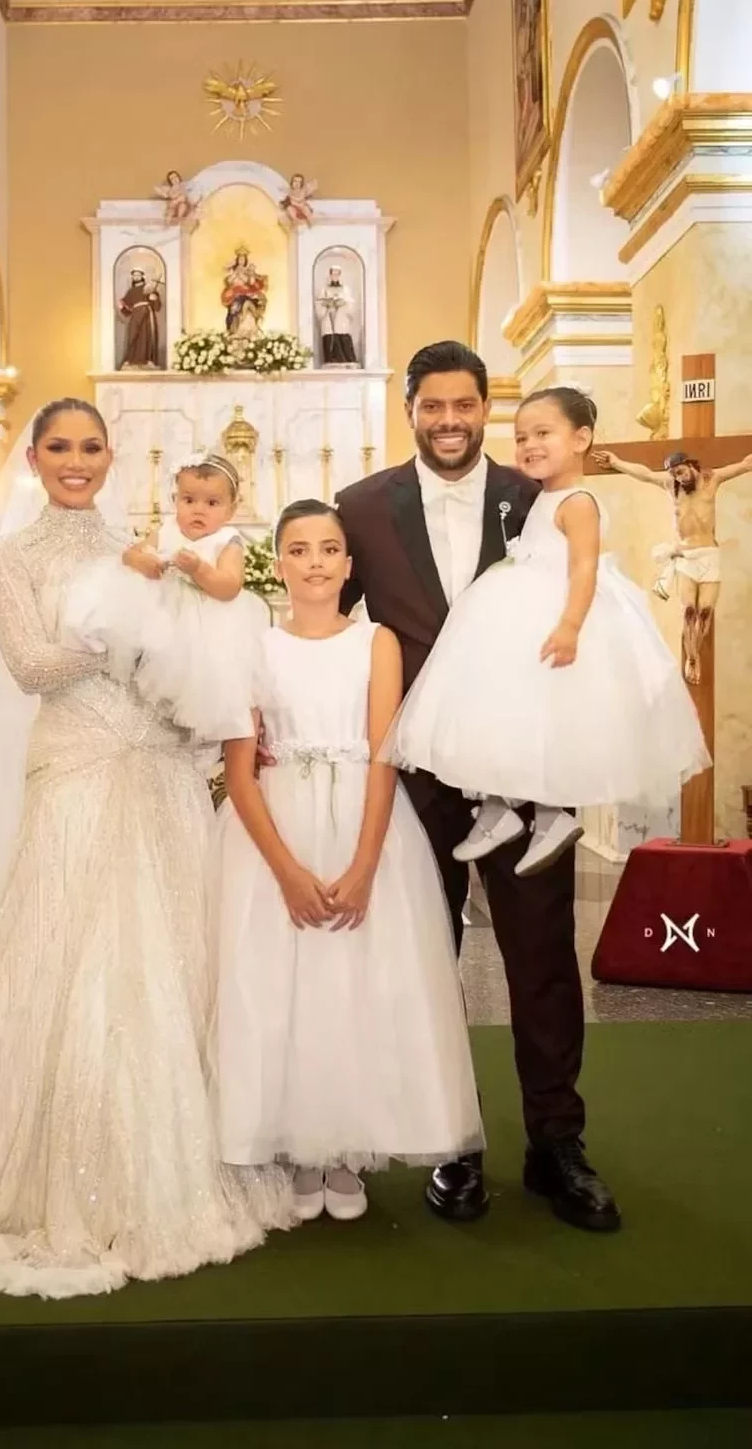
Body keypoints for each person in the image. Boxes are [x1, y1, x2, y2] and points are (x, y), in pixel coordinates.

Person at [0, 399, 292, 1296]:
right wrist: (116, 637)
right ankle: (46, 1161)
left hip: (157, 766)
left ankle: (184, 1150)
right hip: (74, 764)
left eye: (90, 447)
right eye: (59, 447)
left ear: (111, 457)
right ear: (35, 459)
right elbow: (30, 666)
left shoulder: (145, 545)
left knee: (167, 955)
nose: (75, 461)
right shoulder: (11, 557)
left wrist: (197, 708)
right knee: (63, 948)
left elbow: (186, 655)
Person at [334, 340, 621, 1233]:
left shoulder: (538, 491)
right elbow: (332, 625)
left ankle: (556, 1145)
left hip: (525, 765)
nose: (450, 421)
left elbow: (585, 598)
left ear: (486, 409)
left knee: (542, 957)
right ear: (410, 411)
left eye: (465, 405)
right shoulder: (360, 508)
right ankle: (450, 1140)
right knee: (427, 955)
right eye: (433, 406)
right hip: (418, 771)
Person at [213, 501, 482, 1223]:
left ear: (349, 564)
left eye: (329, 549)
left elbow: (383, 755)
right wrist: (286, 872)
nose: (316, 563)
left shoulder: (376, 642)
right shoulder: (254, 648)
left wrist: (364, 866)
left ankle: (344, 1151)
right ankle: (297, 1149)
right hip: (278, 834)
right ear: (278, 563)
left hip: (365, 825)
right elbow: (239, 774)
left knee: (355, 985)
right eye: (299, 550)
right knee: (282, 988)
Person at [387, 387, 709, 876]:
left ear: (581, 439)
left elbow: (584, 567)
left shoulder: (578, 502)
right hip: (517, 612)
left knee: (545, 721)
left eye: (543, 433)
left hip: (554, 615)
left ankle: (549, 815)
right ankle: (500, 808)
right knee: (506, 714)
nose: (529, 445)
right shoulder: (544, 495)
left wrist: (570, 625)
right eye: (521, 438)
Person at [60, 452, 265, 744]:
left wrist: (199, 569)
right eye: (188, 500)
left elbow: (230, 586)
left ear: (230, 510)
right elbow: (130, 554)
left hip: (205, 625)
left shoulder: (226, 540)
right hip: (160, 613)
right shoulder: (168, 530)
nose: (199, 510)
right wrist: (142, 561)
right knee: (143, 663)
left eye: (212, 503)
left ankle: (190, 732)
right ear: (175, 500)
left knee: (196, 678)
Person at [593, 444, 752, 684]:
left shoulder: (711, 479)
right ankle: (692, 658)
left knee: (705, 611)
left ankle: (695, 651)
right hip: (685, 555)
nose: (679, 477)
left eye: (681, 472)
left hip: (709, 555)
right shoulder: (671, 485)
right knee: (688, 611)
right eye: (674, 474)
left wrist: (747, 464)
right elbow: (645, 474)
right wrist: (616, 462)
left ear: (690, 465)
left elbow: (741, 466)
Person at [118, 269, 162, 369]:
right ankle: (131, 360)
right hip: (135, 316)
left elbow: (157, 307)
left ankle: (149, 360)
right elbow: (127, 310)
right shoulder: (130, 291)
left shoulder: (149, 288)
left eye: (138, 275)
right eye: (134, 275)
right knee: (133, 336)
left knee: (147, 336)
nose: (136, 277)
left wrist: (154, 298)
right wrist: (122, 307)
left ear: (142, 276)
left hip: (147, 315)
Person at [316, 266, 358, 366]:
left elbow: (351, 303)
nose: (335, 276)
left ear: (339, 275)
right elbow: (319, 302)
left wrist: (342, 303)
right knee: (329, 338)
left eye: (337, 274)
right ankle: (331, 360)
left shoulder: (345, 289)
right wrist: (327, 305)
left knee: (343, 337)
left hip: (341, 318)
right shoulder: (324, 289)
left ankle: (347, 360)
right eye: (333, 274)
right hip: (328, 317)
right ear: (330, 275)